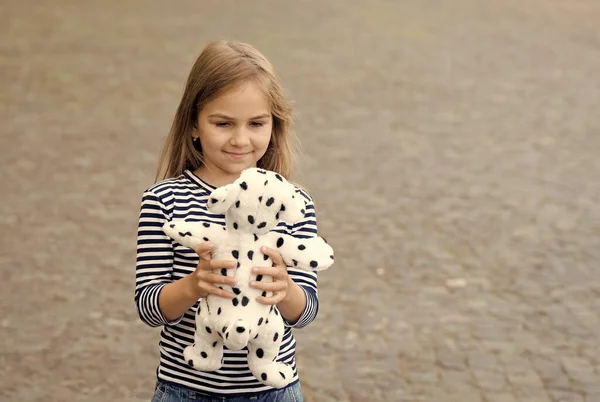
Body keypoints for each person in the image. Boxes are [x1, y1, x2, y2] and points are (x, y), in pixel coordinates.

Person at [135, 40, 322, 402]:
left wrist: (286, 290)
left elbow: (305, 313)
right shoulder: (163, 200)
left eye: (256, 123)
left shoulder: (290, 203)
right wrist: (194, 285)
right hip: (185, 390)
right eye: (223, 123)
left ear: (274, 124)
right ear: (193, 124)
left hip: (273, 391)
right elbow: (148, 306)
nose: (240, 139)